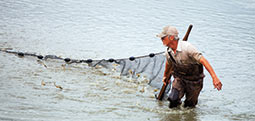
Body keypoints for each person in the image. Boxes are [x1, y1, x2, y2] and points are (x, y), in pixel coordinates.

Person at [157, 25, 222, 108]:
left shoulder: (188, 48)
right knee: (173, 100)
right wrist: (165, 76)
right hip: (179, 79)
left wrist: (214, 78)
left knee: (189, 106)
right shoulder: (168, 52)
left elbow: (203, 61)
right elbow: (169, 63)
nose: (161, 39)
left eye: (163, 38)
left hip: (195, 81)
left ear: (171, 37)